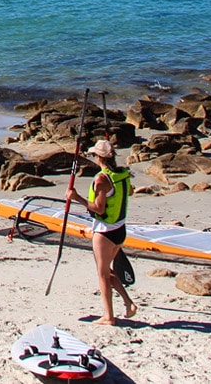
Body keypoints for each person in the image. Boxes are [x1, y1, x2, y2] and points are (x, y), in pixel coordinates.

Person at [83, 138, 137, 325]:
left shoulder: (101, 179)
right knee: (107, 270)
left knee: (103, 274)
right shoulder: (123, 174)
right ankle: (128, 303)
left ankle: (108, 316)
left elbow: (98, 208)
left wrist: (76, 198)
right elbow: (129, 192)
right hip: (120, 230)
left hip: (105, 233)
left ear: (98, 157)